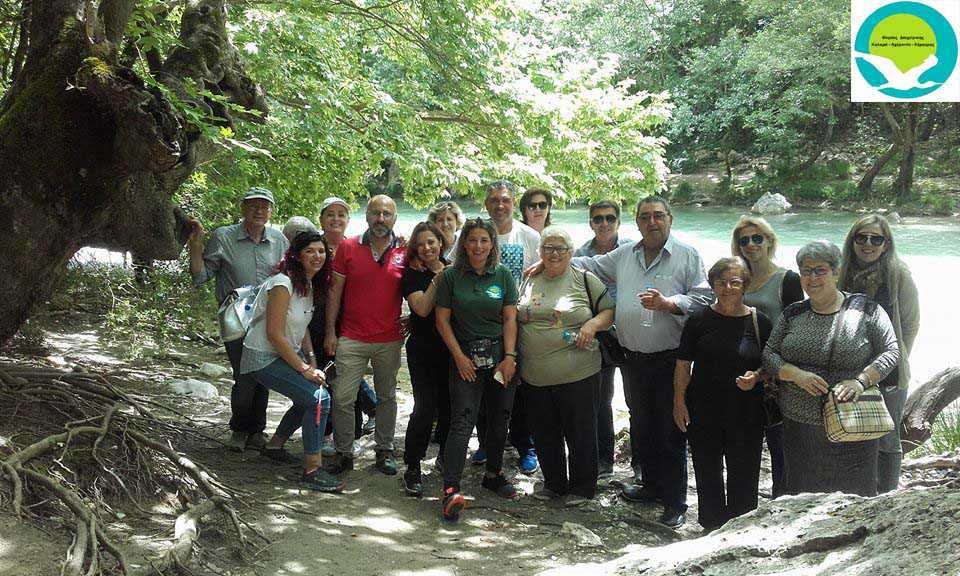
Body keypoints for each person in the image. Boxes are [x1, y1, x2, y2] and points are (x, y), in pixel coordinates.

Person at [555, 195, 712, 528]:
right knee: (642, 424)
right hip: (632, 358)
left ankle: (675, 501)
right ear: (637, 222)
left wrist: (669, 303)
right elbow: (588, 265)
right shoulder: (625, 254)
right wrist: (550, 260)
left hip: (670, 358)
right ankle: (651, 486)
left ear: (670, 218)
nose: (651, 222)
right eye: (644, 216)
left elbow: (703, 298)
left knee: (671, 428)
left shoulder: (687, 255)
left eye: (658, 216)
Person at [762, 241, 900, 497]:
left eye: (820, 270)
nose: (812, 278)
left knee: (854, 500)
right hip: (800, 427)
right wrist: (796, 374)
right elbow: (769, 355)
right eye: (806, 271)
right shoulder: (793, 313)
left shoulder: (867, 310)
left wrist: (860, 382)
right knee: (803, 498)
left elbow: (891, 352)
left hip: (853, 424)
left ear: (836, 273)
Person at [238, 231, 343, 492]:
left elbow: (302, 326)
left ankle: (274, 446)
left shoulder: (307, 285)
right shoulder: (282, 284)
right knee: (319, 398)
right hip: (261, 356)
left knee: (309, 395)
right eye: (310, 251)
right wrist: (304, 369)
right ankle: (312, 469)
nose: (317, 256)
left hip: (282, 354)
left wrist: (312, 360)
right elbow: (274, 334)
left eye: (321, 251)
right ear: (296, 255)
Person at [673, 257, 771, 531]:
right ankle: (712, 526)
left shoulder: (759, 321)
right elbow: (683, 364)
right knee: (707, 471)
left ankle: (741, 528)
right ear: (712, 285)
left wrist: (757, 376)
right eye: (721, 282)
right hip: (704, 409)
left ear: (745, 285)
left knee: (745, 471)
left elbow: (771, 365)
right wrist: (678, 403)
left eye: (735, 282)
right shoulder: (699, 319)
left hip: (746, 412)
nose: (727, 288)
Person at [188, 187, 289, 452]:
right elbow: (201, 277)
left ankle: (256, 432)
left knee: (263, 374)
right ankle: (239, 430)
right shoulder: (223, 237)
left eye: (264, 206)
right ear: (242, 209)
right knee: (244, 373)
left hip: (268, 319)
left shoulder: (279, 240)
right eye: (253, 205)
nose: (259, 211)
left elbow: (290, 278)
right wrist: (195, 245)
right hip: (235, 318)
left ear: (271, 212)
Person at [519, 227, 614, 505]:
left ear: (571, 252)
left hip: (579, 373)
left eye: (560, 248)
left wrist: (592, 324)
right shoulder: (529, 279)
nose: (554, 253)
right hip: (535, 375)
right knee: (544, 431)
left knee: (581, 431)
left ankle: (583, 488)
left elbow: (609, 310)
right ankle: (554, 484)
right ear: (540, 252)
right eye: (548, 247)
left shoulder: (584, 279)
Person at [435, 218, 520, 521]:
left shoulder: (503, 275)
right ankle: (450, 489)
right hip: (466, 357)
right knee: (463, 421)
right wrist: (458, 356)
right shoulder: (452, 276)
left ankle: (494, 474)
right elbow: (442, 321)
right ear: (464, 244)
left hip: (499, 358)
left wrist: (509, 356)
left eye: (485, 240)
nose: (478, 246)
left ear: (492, 244)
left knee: (500, 418)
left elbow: (510, 319)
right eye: (473, 240)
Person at [323, 195, 406, 476]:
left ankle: (384, 449)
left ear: (394, 218)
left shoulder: (405, 251)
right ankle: (344, 452)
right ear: (367, 216)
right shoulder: (348, 247)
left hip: (389, 338)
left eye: (386, 214)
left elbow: (423, 287)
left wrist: (413, 321)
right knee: (343, 397)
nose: (380, 219)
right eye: (375, 213)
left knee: (386, 396)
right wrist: (330, 331)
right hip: (352, 336)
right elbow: (334, 292)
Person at [839, 215, 919, 493]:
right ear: (852, 240)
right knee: (851, 432)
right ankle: (858, 491)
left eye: (876, 239)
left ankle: (886, 496)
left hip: (890, 372)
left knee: (887, 436)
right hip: (847, 369)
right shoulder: (841, 272)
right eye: (862, 237)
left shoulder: (898, 275)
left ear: (886, 244)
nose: (868, 244)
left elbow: (910, 325)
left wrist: (896, 360)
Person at [731, 215, 803, 498]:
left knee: (779, 444)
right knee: (743, 443)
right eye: (744, 240)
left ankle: (782, 502)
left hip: (776, 374)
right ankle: (742, 505)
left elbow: (798, 327)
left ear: (770, 241)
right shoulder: (735, 279)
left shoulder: (788, 279)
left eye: (757, 238)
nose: (750, 244)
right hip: (742, 372)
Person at [476, 180, 540, 474]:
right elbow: (451, 265)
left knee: (519, 387)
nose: (499, 205)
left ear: (514, 203)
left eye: (505, 200)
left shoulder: (528, 235)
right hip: (482, 322)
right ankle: (486, 444)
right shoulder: (477, 233)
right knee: (484, 382)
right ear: (486, 203)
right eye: (493, 200)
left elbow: (545, 273)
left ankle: (526, 446)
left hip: (520, 321)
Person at [309, 197, 377, 457]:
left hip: (352, 322)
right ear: (322, 219)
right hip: (318, 322)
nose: (335, 219)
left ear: (348, 220)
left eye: (341, 215)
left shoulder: (357, 246)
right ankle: (326, 433)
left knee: (349, 376)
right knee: (325, 377)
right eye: (330, 214)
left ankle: (353, 434)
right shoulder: (315, 246)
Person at [574, 199, 632, 478]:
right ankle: (604, 460)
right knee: (600, 398)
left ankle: (642, 465)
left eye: (610, 218)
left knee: (637, 401)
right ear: (591, 223)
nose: (604, 224)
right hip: (600, 333)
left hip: (633, 333)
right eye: (598, 219)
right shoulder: (580, 253)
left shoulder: (633, 250)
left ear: (618, 222)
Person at [401, 221, 451, 497]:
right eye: (420, 244)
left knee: (450, 406)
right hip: (423, 350)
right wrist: (436, 278)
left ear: (441, 243)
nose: (427, 248)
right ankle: (412, 465)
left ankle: (446, 457)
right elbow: (420, 308)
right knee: (425, 408)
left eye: (431, 242)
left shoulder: (455, 269)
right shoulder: (412, 275)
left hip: (452, 348)